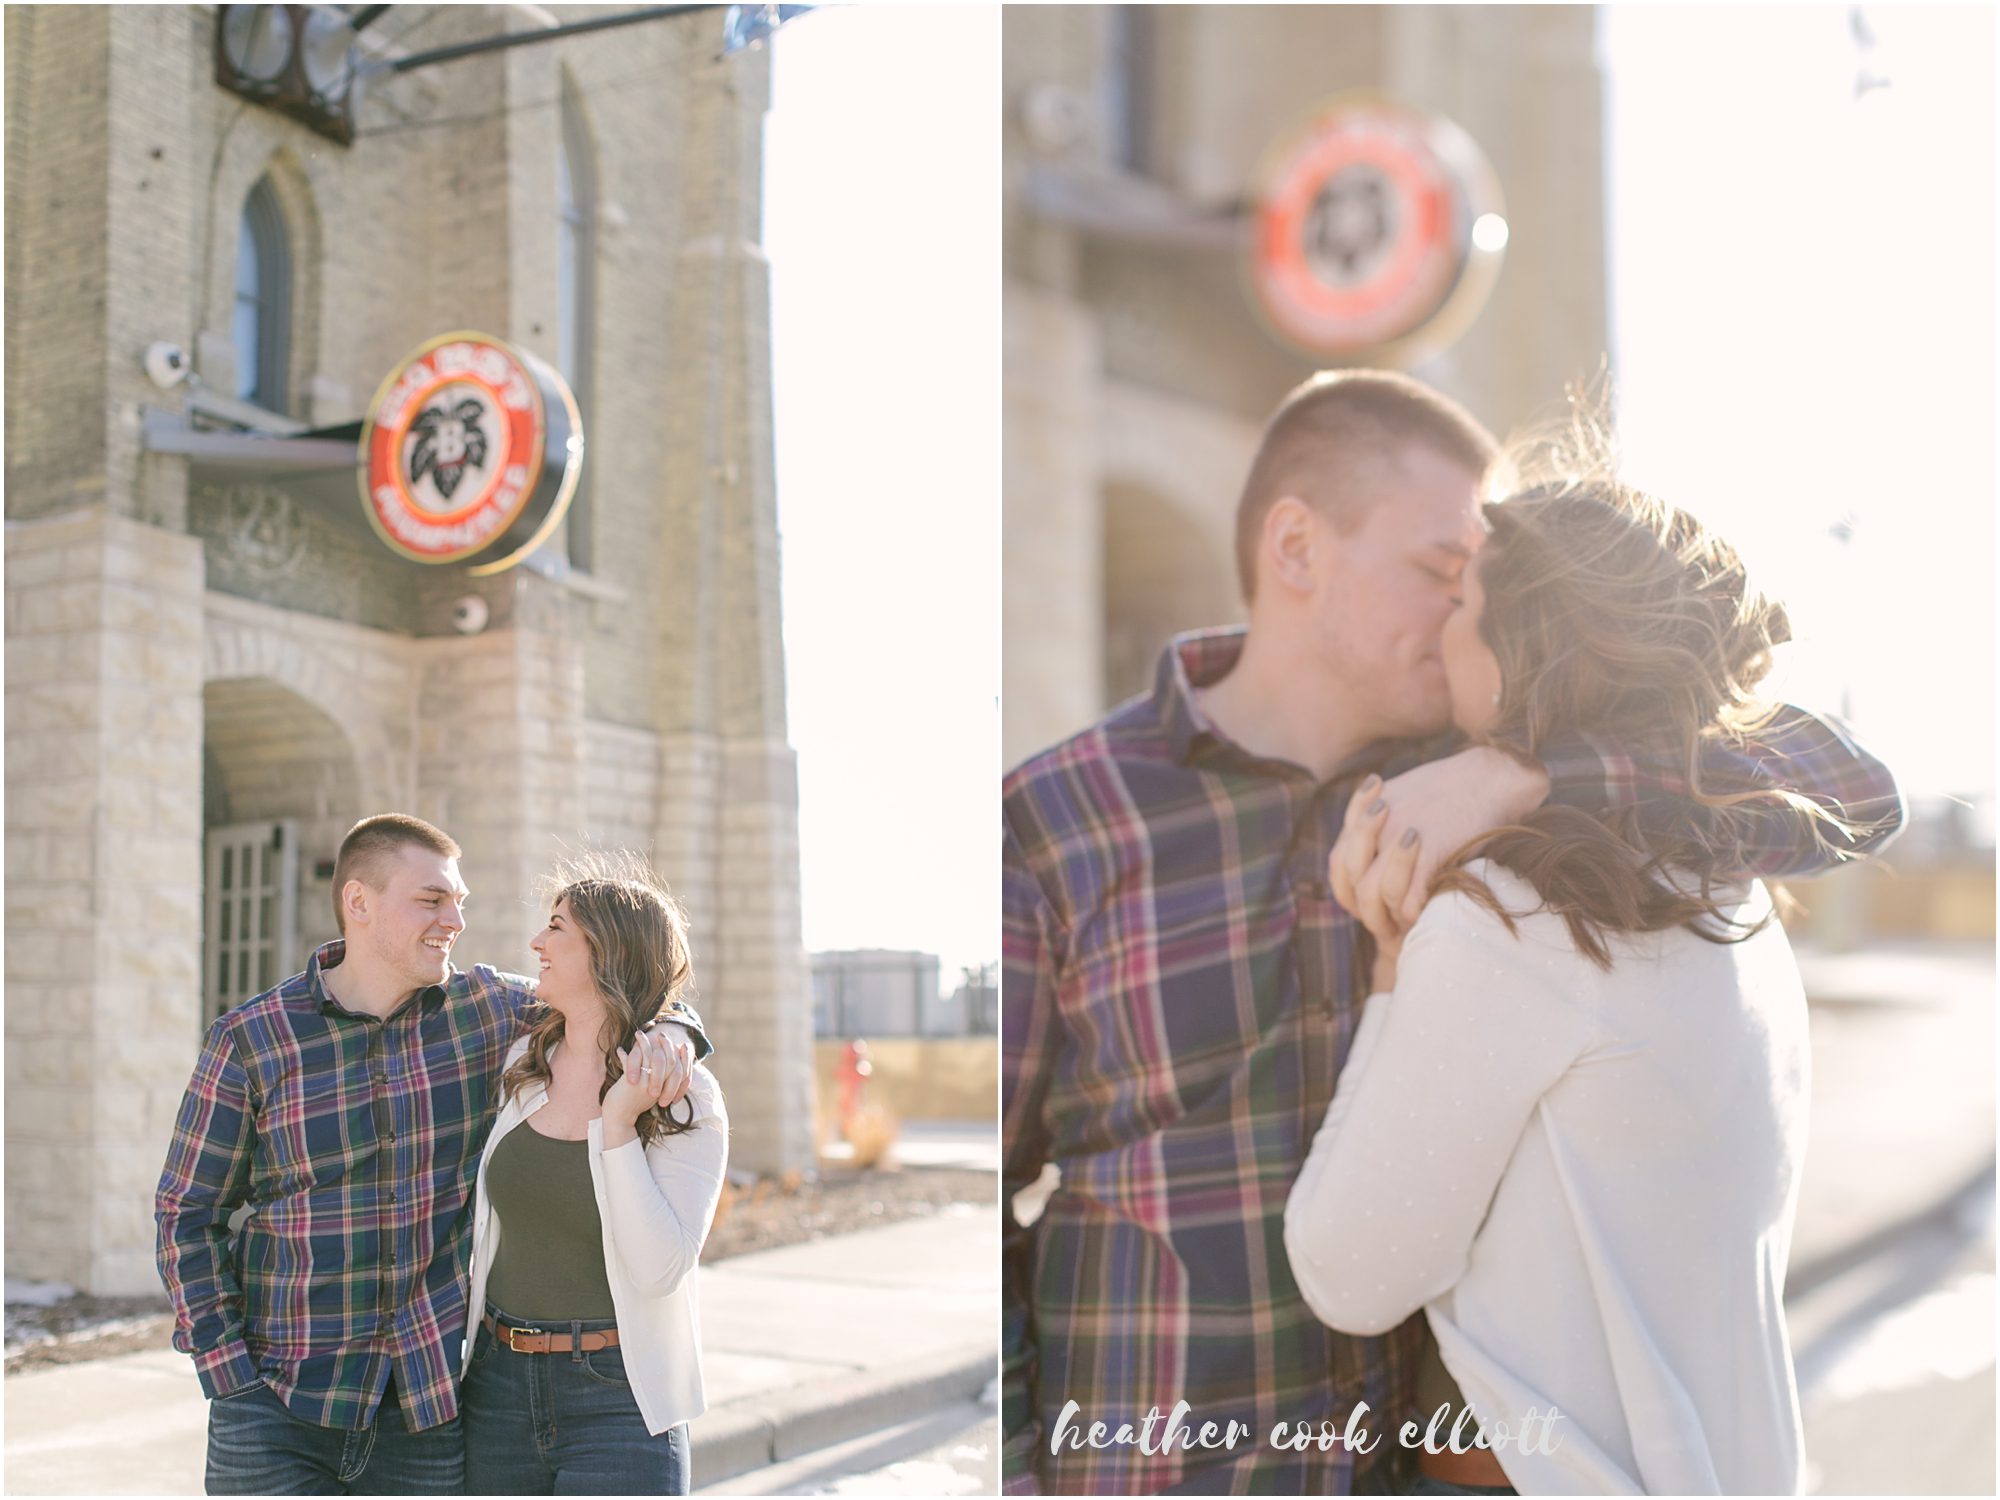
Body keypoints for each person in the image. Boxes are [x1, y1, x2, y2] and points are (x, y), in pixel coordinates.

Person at [1000, 370, 1903, 1494]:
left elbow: (1848, 785)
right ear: (1295, 550)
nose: (1472, 604)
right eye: (1441, 570)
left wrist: (1524, 770)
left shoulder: (1497, 787)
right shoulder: (1055, 816)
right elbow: (986, 1189)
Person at [1286, 472, 1862, 1495]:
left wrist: (1386, 972)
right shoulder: (1730, 891)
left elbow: (1349, 1273)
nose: (1439, 622)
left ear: (1522, 652)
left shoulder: (1506, 923)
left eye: (1462, 600)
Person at [155, 814, 709, 1495]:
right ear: (357, 903)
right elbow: (186, 1211)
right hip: (277, 1410)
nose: (454, 919)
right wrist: (227, 1370)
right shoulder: (253, 1040)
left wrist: (678, 1029)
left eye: (459, 902)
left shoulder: (488, 1014)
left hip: (422, 1422)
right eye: (431, 900)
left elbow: (615, 990)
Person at [460, 856, 729, 1495]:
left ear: (607, 953)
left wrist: (618, 1127)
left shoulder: (683, 1095)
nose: (536, 944)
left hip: (619, 1399)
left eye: (557, 928)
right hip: (494, 1389)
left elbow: (660, 1267)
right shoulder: (519, 1063)